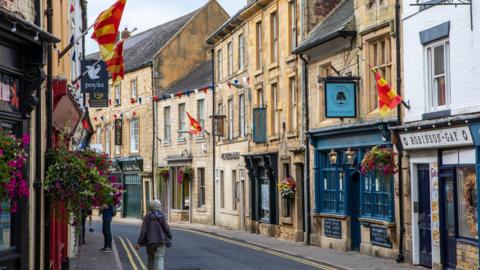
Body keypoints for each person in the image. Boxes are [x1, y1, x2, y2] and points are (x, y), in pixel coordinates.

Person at [135, 200, 172, 270]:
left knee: (151, 258)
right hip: (161, 241)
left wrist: (139, 243)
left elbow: (143, 231)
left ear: (151, 207)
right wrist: (170, 236)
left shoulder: (147, 217)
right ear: (159, 207)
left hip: (150, 242)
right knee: (160, 258)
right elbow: (166, 228)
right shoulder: (162, 216)